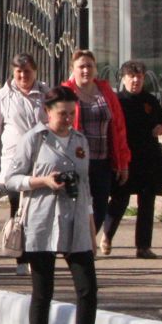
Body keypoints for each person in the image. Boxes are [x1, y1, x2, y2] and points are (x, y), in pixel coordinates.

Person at [2, 88, 107, 324]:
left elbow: (85, 186)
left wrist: (90, 225)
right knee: (43, 291)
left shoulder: (80, 141)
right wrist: (42, 181)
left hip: (75, 221)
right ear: (48, 112)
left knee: (87, 289)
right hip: (42, 221)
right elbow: (11, 178)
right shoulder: (35, 139)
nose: (68, 119)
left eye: (72, 113)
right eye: (63, 113)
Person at [0, 53, 48, 266]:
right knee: (17, 207)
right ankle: (19, 254)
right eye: (19, 72)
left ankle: (36, 256)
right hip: (14, 162)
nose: (23, 76)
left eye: (27, 71)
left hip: (40, 162)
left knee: (37, 209)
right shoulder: (3, 96)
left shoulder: (46, 94)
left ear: (35, 71)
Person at [59, 50, 129, 244]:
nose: (86, 70)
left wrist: (122, 163)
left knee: (99, 206)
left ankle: (86, 244)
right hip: (76, 160)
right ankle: (75, 244)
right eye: (81, 66)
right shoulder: (66, 93)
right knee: (76, 205)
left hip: (103, 160)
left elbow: (119, 127)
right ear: (73, 69)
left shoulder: (105, 92)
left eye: (89, 66)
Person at [109, 61, 162, 260]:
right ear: (124, 78)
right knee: (120, 200)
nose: (136, 80)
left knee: (147, 203)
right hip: (126, 158)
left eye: (140, 77)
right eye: (132, 76)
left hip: (148, 159)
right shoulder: (117, 101)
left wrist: (160, 127)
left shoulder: (150, 100)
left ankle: (143, 246)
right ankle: (107, 236)